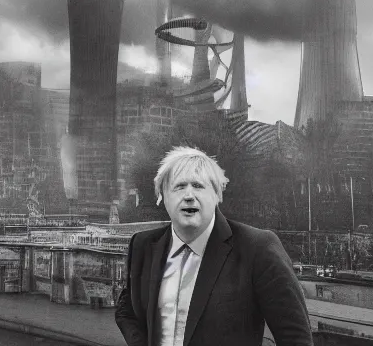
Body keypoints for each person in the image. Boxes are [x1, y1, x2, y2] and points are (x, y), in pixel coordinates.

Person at [115, 146, 313, 346]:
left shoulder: (257, 248)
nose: (189, 195)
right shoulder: (142, 245)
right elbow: (126, 309)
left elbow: (296, 338)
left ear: (218, 195)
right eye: (179, 186)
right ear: (162, 197)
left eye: (198, 186)